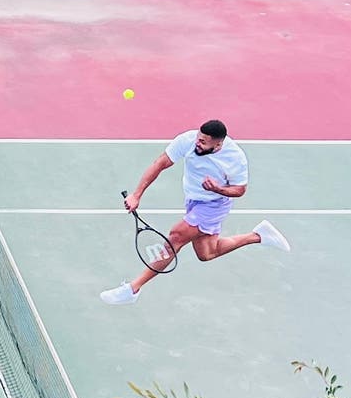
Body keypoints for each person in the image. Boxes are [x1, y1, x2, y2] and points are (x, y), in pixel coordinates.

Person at [103, 118, 287, 304]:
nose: (198, 143)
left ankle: (133, 289)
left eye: (203, 142)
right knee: (207, 253)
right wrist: (136, 195)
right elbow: (160, 163)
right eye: (199, 137)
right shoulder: (188, 140)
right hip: (193, 200)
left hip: (215, 204)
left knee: (175, 237)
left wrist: (217, 189)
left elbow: (239, 190)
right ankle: (258, 236)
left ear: (218, 144)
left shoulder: (235, 158)